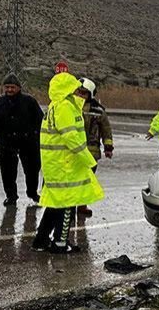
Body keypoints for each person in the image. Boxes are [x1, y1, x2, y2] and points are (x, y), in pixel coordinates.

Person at [31, 73, 104, 253]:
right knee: (67, 206)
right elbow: (71, 138)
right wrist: (88, 159)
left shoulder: (55, 106)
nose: (79, 93)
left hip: (57, 164)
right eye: (76, 89)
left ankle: (41, 240)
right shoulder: (65, 107)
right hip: (65, 165)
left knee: (56, 204)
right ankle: (60, 244)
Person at [0, 73, 44, 206]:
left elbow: (40, 121)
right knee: (7, 172)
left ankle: (32, 193)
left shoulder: (29, 102)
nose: (9, 90)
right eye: (7, 87)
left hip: (28, 144)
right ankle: (11, 196)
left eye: (12, 87)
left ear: (19, 87)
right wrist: (0, 141)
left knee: (32, 170)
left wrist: (34, 137)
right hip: (6, 144)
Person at [76, 78, 114, 216]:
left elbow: (106, 130)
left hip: (91, 151)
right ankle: (69, 206)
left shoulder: (98, 111)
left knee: (87, 180)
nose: (80, 95)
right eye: (78, 92)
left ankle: (82, 206)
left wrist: (108, 147)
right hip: (73, 151)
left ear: (91, 94)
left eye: (84, 93)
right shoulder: (69, 107)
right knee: (73, 180)